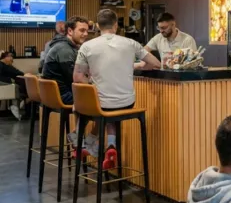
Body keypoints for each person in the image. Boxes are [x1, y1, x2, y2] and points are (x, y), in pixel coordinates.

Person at [74, 9, 160, 171]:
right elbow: (156, 63)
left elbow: (78, 76)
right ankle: (110, 145)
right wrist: (139, 66)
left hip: (100, 103)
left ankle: (82, 142)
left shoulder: (87, 46)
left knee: (103, 104)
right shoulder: (131, 43)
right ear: (116, 25)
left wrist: (92, 82)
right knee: (112, 107)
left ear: (98, 26)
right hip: (127, 103)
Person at [43, 16, 90, 105]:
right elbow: (75, 78)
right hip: (63, 96)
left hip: (57, 94)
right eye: (82, 30)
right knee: (103, 98)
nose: (86, 34)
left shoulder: (66, 46)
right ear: (70, 31)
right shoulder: (64, 49)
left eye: (87, 31)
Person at [0, 50, 26, 120]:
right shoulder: (3, 65)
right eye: (10, 57)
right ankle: (19, 103)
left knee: (23, 82)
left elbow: (18, 72)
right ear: (5, 57)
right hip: (6, 84)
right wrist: (11, 80)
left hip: (9, 83)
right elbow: (19, 73)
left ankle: (21, 101)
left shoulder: (7, 66)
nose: (12, 59)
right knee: (22, 83)